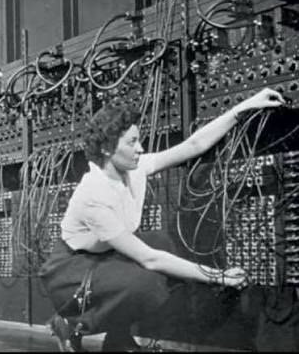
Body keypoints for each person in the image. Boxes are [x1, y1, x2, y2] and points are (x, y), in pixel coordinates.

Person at [39, 87, 286, 352]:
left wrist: (243, 108)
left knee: (161, 243)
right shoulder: (93, 193)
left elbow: (193, 146)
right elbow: (150, 259)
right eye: (132, 142)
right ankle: (69, 323)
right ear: (107, 148)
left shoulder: (133, 169)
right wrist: (219, 276)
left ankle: (117, 337)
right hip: (71, 270)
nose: (140, 148)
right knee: (146, 284)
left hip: (103, 256)